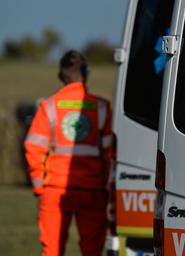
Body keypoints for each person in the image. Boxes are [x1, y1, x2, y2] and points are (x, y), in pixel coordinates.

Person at [24, 50, 112, 256]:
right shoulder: (101, 107)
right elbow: (110, 153)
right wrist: (108, 187)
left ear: (61, 76)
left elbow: (33, 147)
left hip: (55, 191)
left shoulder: (49, 106)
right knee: (92, 252)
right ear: (86, 74)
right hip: (93, 192)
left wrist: (39, 187)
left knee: (52, 251)